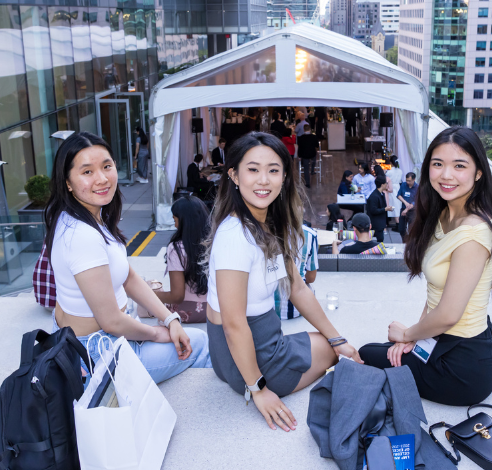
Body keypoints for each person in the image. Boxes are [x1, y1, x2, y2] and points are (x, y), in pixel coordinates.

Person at [204, 132, 363, 432]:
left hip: (232, 352)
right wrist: (259, 389)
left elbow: (297, 288)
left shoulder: (272, 224)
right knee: (328, 352)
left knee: (331, 344)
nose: (263, 180)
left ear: (285, 176)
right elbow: (234, 323)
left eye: (273, 170)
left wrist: (337, 338)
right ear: (234, 175)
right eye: (253, 169)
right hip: (249, 355)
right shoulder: (234, 236)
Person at [358, 126, 492, 406]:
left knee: (367, 354)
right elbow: (435, 295)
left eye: (459, 165)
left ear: (479, 173)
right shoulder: (443, 214)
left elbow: (448, 314)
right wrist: (414, 338)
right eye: (438, 164)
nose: (446, 175)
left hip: (463, 366)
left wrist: (407, 334)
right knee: (383, 351)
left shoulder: (474, 232)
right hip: (442, 342)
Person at [46, 132, 211, 383]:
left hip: (95, 340)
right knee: (199, 342)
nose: (102, 179)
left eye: (106, 166)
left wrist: (170, 318)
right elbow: (112, 321)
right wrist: (158, 333)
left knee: (183, 335)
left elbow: (128, 275)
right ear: (67, 181)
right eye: (87, 172)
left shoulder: (86, 215)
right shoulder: (82, 236)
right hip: (97, 356)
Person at [156, 196, 210, 324]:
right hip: (217, 311)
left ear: (183, 221)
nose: (175, 225)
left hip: (187, 313)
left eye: (175, 220)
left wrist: (151, 295)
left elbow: (177, 296)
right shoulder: (216, 242)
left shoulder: (176, 248)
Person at [366, 175, 392, 243]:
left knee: (380, 240)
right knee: (379, 240)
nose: (387, 184)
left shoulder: (381, 193)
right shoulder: (374, 196)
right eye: (386, 183)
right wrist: (385, 209)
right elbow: (373, 210)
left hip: (380, 222)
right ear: (382, 184)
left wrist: (387, 209)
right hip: (376, 223)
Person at [296, 124, 318, 188]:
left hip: (304, 155)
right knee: (314, 160)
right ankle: (312, 170)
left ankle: (307, 183)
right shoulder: (314, 137)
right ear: (310, 129)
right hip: (312, 153)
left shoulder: (301, 138)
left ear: (303, 130)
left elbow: (300, 148)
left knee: (306, 168)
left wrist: (299, 156)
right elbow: (316, 145)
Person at [385, 156, 403, 226]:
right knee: (398, 204)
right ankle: (398, 222)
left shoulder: (389, 172)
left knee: (393, 204)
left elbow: (386, 181)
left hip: (391, 188)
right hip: (398, 187)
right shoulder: (400, 171)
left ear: (391, 162)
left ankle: (397, 223)